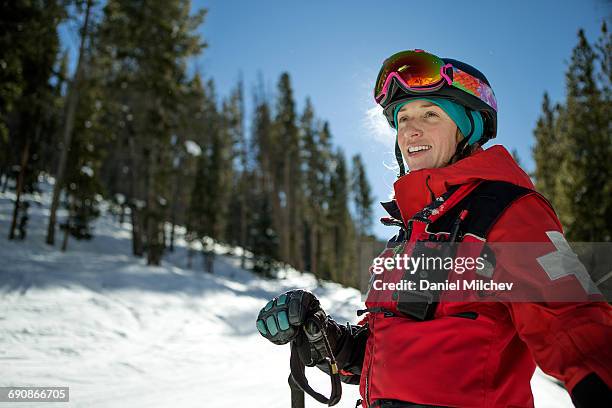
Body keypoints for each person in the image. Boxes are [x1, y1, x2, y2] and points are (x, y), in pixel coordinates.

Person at [256, 49, 612, 407]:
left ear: (465, 127)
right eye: (403, 117)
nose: (411, 129)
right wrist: (328, 338)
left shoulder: (506, 209)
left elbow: (572, 320)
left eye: (430, 114)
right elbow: (388, 350)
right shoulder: (411, 233)